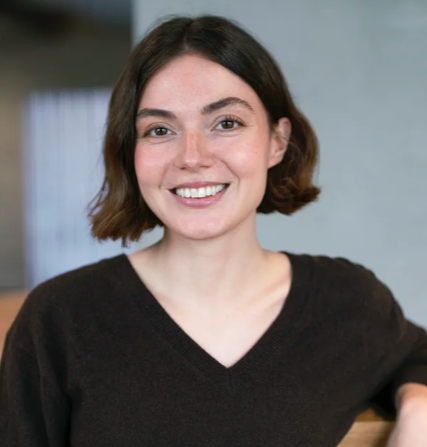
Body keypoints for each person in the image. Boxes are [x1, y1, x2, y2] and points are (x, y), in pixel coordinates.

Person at [1, 14, 426, 447]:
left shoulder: (345, 302)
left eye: (226, 123)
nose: (192, 157)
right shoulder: (61, 318)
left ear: (277, 142)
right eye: (160, 130)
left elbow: (418, 355)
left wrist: (418, 404)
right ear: (131, 152)